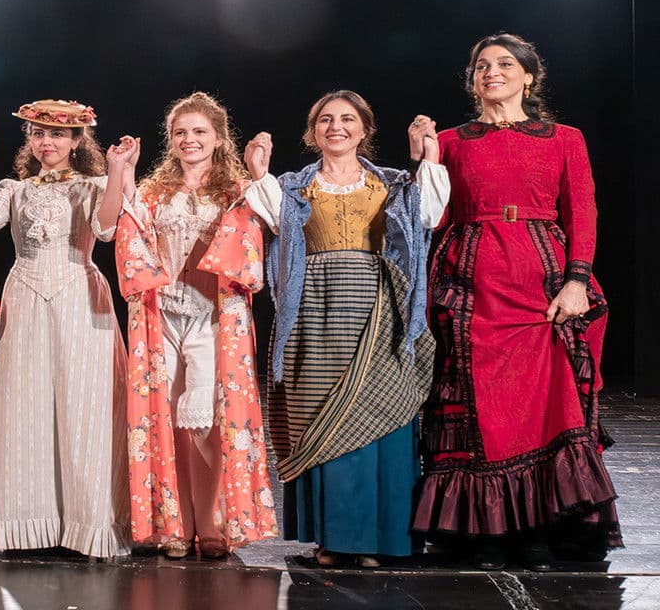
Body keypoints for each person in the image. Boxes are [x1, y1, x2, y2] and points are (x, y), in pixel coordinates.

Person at [413, 33, 620, 571]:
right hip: (472, 283)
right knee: (480, 403)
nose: (492, 72)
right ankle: (488, 531)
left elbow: (583, 211)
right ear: (472, 79)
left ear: (529, 77)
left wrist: (577, 281)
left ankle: (538, 528)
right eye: (482, 65)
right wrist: (426, 161)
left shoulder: (564, 139)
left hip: (540, 281)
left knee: (544, 405)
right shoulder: (451, 140)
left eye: (505, 64)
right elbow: (432, 218)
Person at [243, 90, 449, 566]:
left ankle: (379, 538)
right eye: (326, 120)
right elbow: (274, 223)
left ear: (365, 129)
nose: (336, 127)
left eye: (347, 119)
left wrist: (428, 158)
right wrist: (258, 172)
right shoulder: (293, 187)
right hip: (313, 309)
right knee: (318, 415)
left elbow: (430, 216)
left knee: (382, 415)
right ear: (313, 131)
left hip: (377, 308)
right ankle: (333, 539)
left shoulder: (393, 183)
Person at [0, 100, 133, 558]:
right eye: (38, 134)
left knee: (84, 406)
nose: (45, 142)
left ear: (77, 141)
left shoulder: (93, 185)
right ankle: (25, 523)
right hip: (26, 294)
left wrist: (117, 171)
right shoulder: (16, 189)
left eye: (56, 134)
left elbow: (106, 229)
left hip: (79, 293)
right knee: (26, 406)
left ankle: (88, 525)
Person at [113, 91, 277, 559]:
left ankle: (213, 520)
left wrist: (259, 173)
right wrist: (125, 173)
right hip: (161, 316)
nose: (190, 139)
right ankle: (177, 525)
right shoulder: (155, 191)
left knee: (204, 421)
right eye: (180, 132)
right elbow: (126, 227)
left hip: (212, 318)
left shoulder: (236, 190)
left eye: (200, 131)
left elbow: (275, 220)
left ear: (219, 137)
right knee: (164, 422)